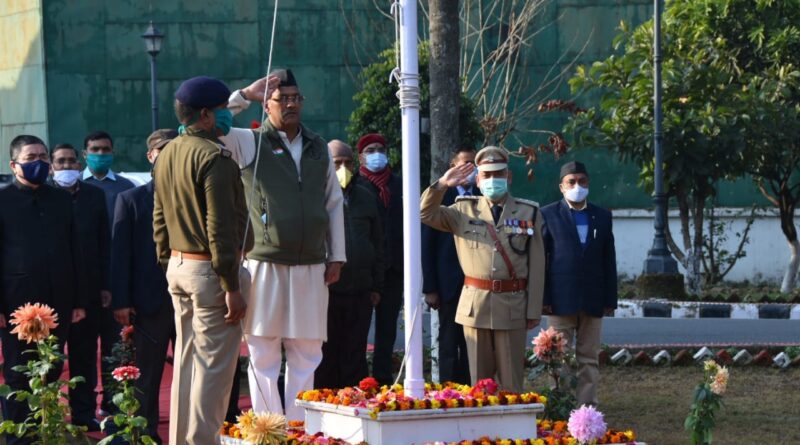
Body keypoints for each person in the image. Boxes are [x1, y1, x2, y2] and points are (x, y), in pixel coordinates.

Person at [221, 69, 346, 420]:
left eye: (295, 98)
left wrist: (336, 255)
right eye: (282, 99)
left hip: (311, 265)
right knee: (263, 351)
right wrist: (245, 94)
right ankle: (268, 428)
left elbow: (333, 202)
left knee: (307, 350)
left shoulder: (319, 146)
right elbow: (209, 127)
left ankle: (299, 427)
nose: (290, 104)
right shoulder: (249, 141)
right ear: (268, 105)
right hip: (263, 261)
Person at [153, 76, 253, 445]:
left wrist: (167, 263)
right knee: (213, 372)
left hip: (179, 268)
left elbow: (159, 217)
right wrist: (231, 286)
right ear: (207, 115)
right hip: (211, 272)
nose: (228, 116)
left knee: (186, 364)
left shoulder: (168, 152)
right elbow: (220, 229)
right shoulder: (215, 156)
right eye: (224, 109)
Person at [420, 146, 544, 393]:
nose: (492, 180)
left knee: (512, 383)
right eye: (486, 175)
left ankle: (512, 430)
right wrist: (443, 184)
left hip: (512, 305)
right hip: (476, 305)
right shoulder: (463, 210)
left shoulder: (528, 211)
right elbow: (425, 213)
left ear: (508, 177)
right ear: (477, 179)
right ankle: (481, 432)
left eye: (498, 174)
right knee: (479, 382)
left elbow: (538, 264)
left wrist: (533, 310)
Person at [0, 135, 86, 445]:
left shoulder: (61, 199)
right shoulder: (4, 199)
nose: (38, 162)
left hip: (59, 298)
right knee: (17, 371)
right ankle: (18, 438)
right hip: (15, 300)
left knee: (52, 366)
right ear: (14, 164)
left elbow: (74, 249)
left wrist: (78, 300)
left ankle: (47, 432)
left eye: (42, 156)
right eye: (30, 157)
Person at [111, 129, 177, 444]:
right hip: (149, 301)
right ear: (150, 155)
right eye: (163, 150)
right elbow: (120, 255)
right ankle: (145, 432)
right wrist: (121, 301)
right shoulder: (131, 200)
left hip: (191, 299)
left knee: (195, 372)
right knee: (147, 375)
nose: (169, 155)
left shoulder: (193, 196)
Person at [540, 161, 617, 407]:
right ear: (561, 186)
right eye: (571, 182)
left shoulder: (602, 216)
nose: (577, 186)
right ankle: (561, 408)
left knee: (589, 358)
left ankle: (586, 410)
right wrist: (544, 300)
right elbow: (542, 260)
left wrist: (609, 300)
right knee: (557, 358)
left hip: (593, 300)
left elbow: (609, 260)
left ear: (588, 184)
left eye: (582, 181)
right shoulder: (547, 214)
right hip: (559, 301)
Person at [49, 143, 110, 431]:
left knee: (84, 357)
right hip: (52, 296)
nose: (67, 166)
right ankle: (47, 415)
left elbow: (103, 244)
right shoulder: (45, 198)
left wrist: (105, 286)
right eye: (60, 162)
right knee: (49, 359)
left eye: (71, 161)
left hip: (89, 293)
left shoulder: (94, 197)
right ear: (51, 167)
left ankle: (84, 414)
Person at [314, 140, 384, 390]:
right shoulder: (314, 195)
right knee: (326, 353)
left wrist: (376, 285)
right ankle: (325, 405)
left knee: (355, 353)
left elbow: (378, 242)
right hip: (327, 289)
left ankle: (354, 404)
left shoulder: (366, 196)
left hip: (360, 290)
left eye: (347, 162)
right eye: (336, 163)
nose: (343, 168)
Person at [81, 130, 135, 415]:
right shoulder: (74, 188)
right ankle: (85, 407)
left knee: (116, 348)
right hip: (86, 281)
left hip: (117, 280)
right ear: (84, 153)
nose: (100, 154)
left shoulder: (126, 188)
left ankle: (114, 406)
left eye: (105, 149)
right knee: (84, 350)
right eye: (94, 149)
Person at [421, 147, 480, 384]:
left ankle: (470, 389)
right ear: (452, 165)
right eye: (464, 163)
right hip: (448, 284)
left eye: (473, 163)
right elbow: (428, 245)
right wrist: (430, 287)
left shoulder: (483, 195)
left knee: (471, 343)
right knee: (447, 340)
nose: (469, 168)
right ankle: (447, 391)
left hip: (476, 283)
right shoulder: (440, 198)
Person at [354, 133, 404, 385]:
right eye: (371, 150)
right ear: (361, 156)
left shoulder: (399, 184)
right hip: (365, 269)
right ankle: (361, 379)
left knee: (387, 329)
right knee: (359, 327)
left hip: (393, 268)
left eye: (381, 149)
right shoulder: (356, 185)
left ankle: (383, 378)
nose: (377, 154)